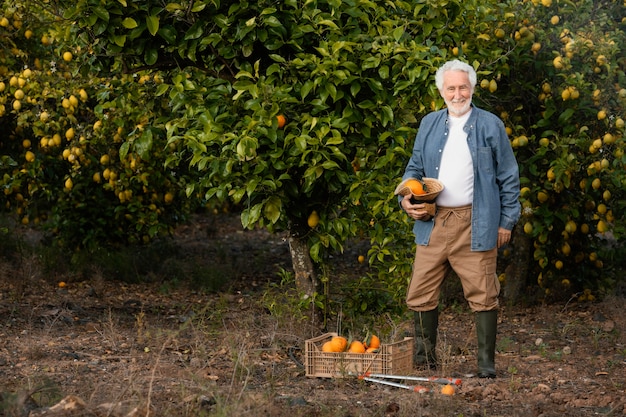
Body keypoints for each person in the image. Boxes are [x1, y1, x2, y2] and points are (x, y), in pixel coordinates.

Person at [399, 59, 520, 378]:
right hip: (433, 220)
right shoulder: (428, 124)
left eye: (463, 87)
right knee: (421, 290)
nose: (457, 93)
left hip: (476, 221)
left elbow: (508, 175)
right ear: (441, 91)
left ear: (473, 88)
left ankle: (486, 365)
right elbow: (414, 167)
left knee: (483, 291)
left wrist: (507, 221)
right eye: (450, 87)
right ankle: (425, 361)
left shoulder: (490, 124)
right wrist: (406, 196)